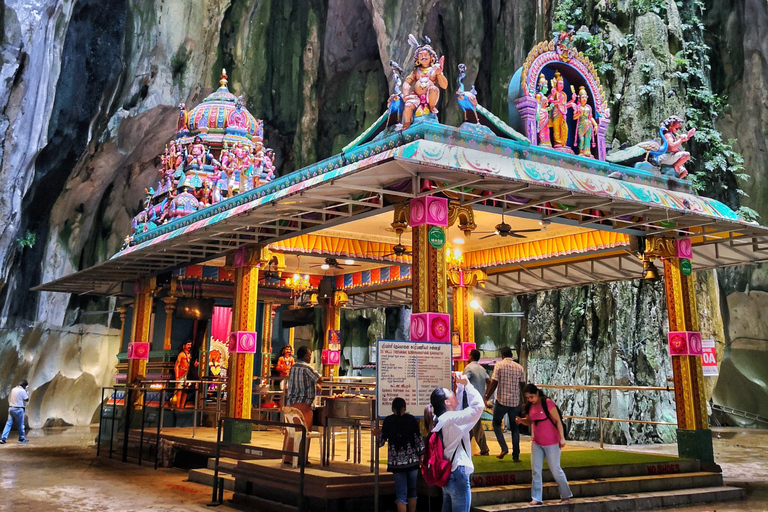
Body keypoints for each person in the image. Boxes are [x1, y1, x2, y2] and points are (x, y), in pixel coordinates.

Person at [426, 374, 484, 512]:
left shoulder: (441, 418)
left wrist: (460, 387)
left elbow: (458, 412)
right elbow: (478, 406)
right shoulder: (452, 419)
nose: (453, 392)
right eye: (451, 392)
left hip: (448, 475)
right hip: (458, 474)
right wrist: (468, 385)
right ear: (446, 402)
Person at [515, 384, 572, 505]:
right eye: (528, 398)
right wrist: (521, 421)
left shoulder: (548, 403)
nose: (530, 399)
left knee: (555, 469)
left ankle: (566, 495)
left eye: (532, 397)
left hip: (552, 442)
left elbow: (558, 421)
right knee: (535, 470)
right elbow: (530, 421)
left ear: (537, 393)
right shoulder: (530, 406)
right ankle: (536, 497)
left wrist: (562, 438)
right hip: (537, 442)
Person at [374, 398, 424, 512]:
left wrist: (377, 434)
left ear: (392, 409)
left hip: (396, 463)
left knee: (401, 492)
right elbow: (418, 439)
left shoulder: (388, 421)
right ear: (404, 408)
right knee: (412, 490)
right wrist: (421, 454)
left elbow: (380, 442)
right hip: (412, 462)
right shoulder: (411, 420)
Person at [282, 345, 323, 464]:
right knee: (304, 432)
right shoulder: (307, 368)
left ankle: (289, 458)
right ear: (305, 356)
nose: (310, 357)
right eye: (309, 355)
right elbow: (319, 379)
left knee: (291, 432)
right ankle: (301, 459)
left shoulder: (293, 367)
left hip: (292, 405)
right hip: (304, 405)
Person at [484, 347, 526, 460]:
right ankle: (516, 456)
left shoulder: (499, 365)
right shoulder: (519, 367)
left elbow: (494, 383)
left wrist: (487, 396)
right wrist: (525, 401)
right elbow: (523, 386)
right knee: (515, 429)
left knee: (496, 424)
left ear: (502, 355)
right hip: (515, 402)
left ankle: (504, 448)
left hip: (501, 401)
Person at [462, 349, 490, 456]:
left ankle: (484, 449)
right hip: (479, 400)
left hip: (470, 400)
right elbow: (489, 381)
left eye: (469, 355)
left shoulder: (468, 368)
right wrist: (486, 394)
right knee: (472, 424)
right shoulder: (482, 369)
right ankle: (464, 447)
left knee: (474, 424)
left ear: (471, 357)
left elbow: (466, 382)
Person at [1, 380, 30, 444]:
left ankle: (3, 438)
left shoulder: (13, 389)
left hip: (11, 408)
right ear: (25, 386)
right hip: (18, 409)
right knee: (20, 425)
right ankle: (21, 438)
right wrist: (27, 392)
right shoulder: (22, 391)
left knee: (8, 424)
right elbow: (27, 399)